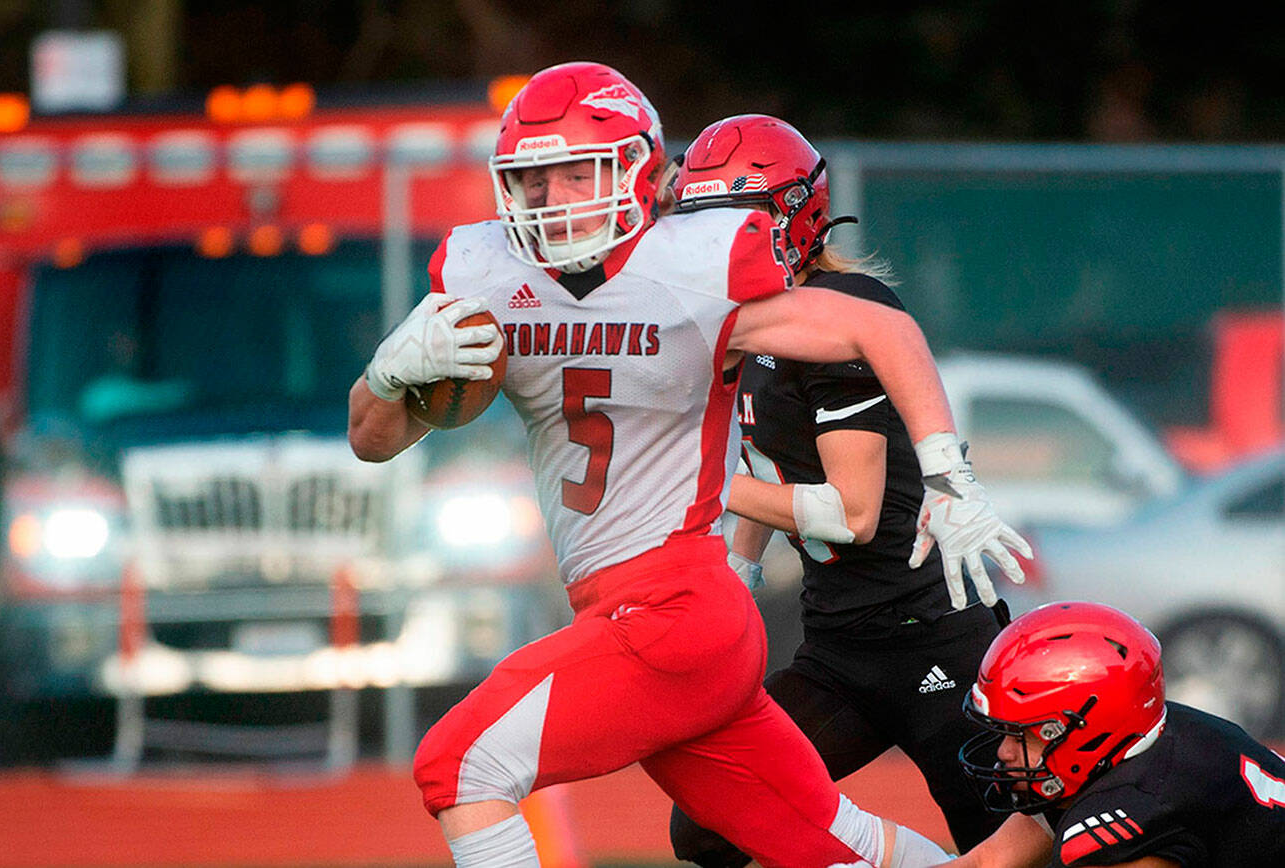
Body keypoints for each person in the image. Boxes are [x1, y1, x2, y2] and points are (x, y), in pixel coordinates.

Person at [348, 61, 1026, 868]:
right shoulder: (489, 275)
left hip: (674, 609)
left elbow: (878, 330)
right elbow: (374, 439)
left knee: (460, 764)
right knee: (834, 845)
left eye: (577, 173)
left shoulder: (692, 270)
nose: (556, 199)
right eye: (534, 179)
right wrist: (386, 375)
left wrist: (950, 476)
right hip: (650, 611)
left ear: (637, 170)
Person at [663, 114, 1011, 868]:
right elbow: (762, 460)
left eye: (734, 221)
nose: (713, 246)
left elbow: (849, 515)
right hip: (838, 650)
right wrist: (737, 577)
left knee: (1004, 850)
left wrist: (698, 486)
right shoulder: (748, 323)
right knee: (709, 824)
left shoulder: (835, 317)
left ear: (794, 219)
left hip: (933, 637)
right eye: (699, 222)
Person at [942, 600, 1285, 868]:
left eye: (1024, 734)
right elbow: (985, 862)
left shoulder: (1137, 811)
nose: (1003, 752)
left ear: (1085, 731)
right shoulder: (1142, 740)